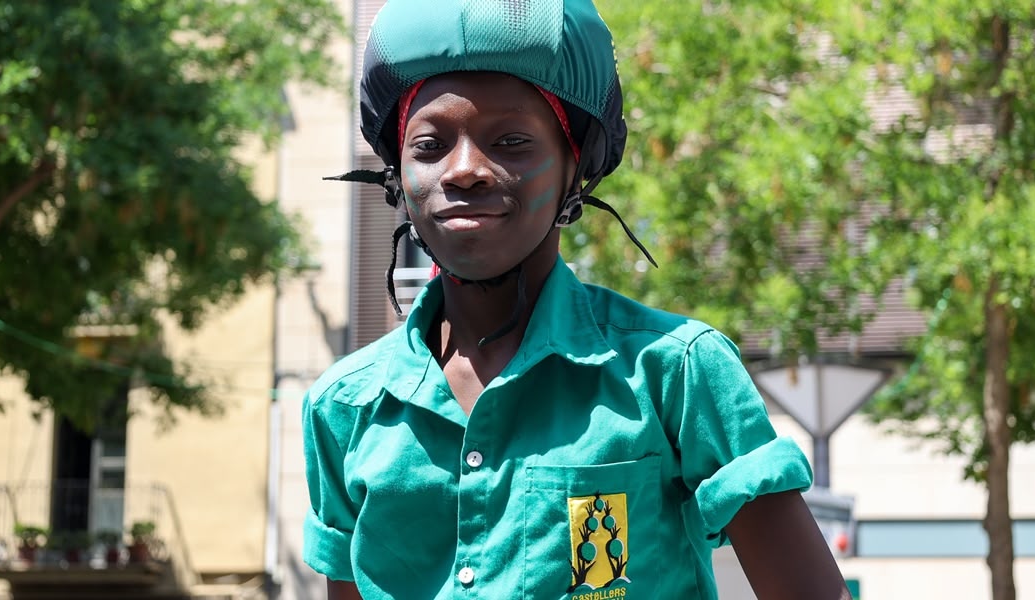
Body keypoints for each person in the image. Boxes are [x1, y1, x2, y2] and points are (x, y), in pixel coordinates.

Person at [303, 1, 851, 598]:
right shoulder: (344, 408)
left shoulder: (675, 371)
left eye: (512, 141)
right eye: (429, 145)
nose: (464, 171)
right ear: (398, 179)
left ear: (576, 170)